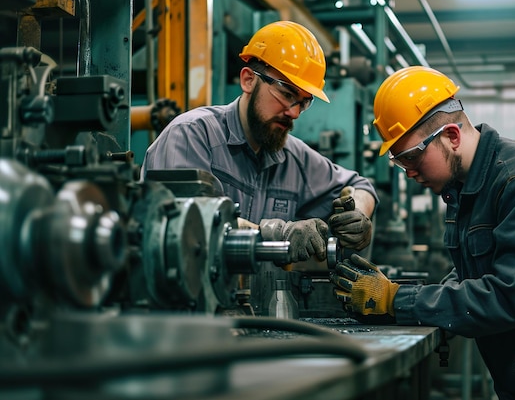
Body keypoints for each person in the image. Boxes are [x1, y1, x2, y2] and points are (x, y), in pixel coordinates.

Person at [331, 66, 515, 399]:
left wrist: (398, 299)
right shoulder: (470, 191)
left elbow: (507, 297)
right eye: (400, 162)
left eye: (412, 156)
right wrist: (399, 298)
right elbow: (472, 272)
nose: (409, 171)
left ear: (452, 136)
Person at [142, 20, 377, 266]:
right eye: (286, 94)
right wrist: (276, 235)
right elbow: (183, 230)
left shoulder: (293, 156)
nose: (294, 113)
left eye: (303, 102)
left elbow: (360, 185)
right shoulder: (191, 136)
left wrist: (358, 215)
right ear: (248, 80)